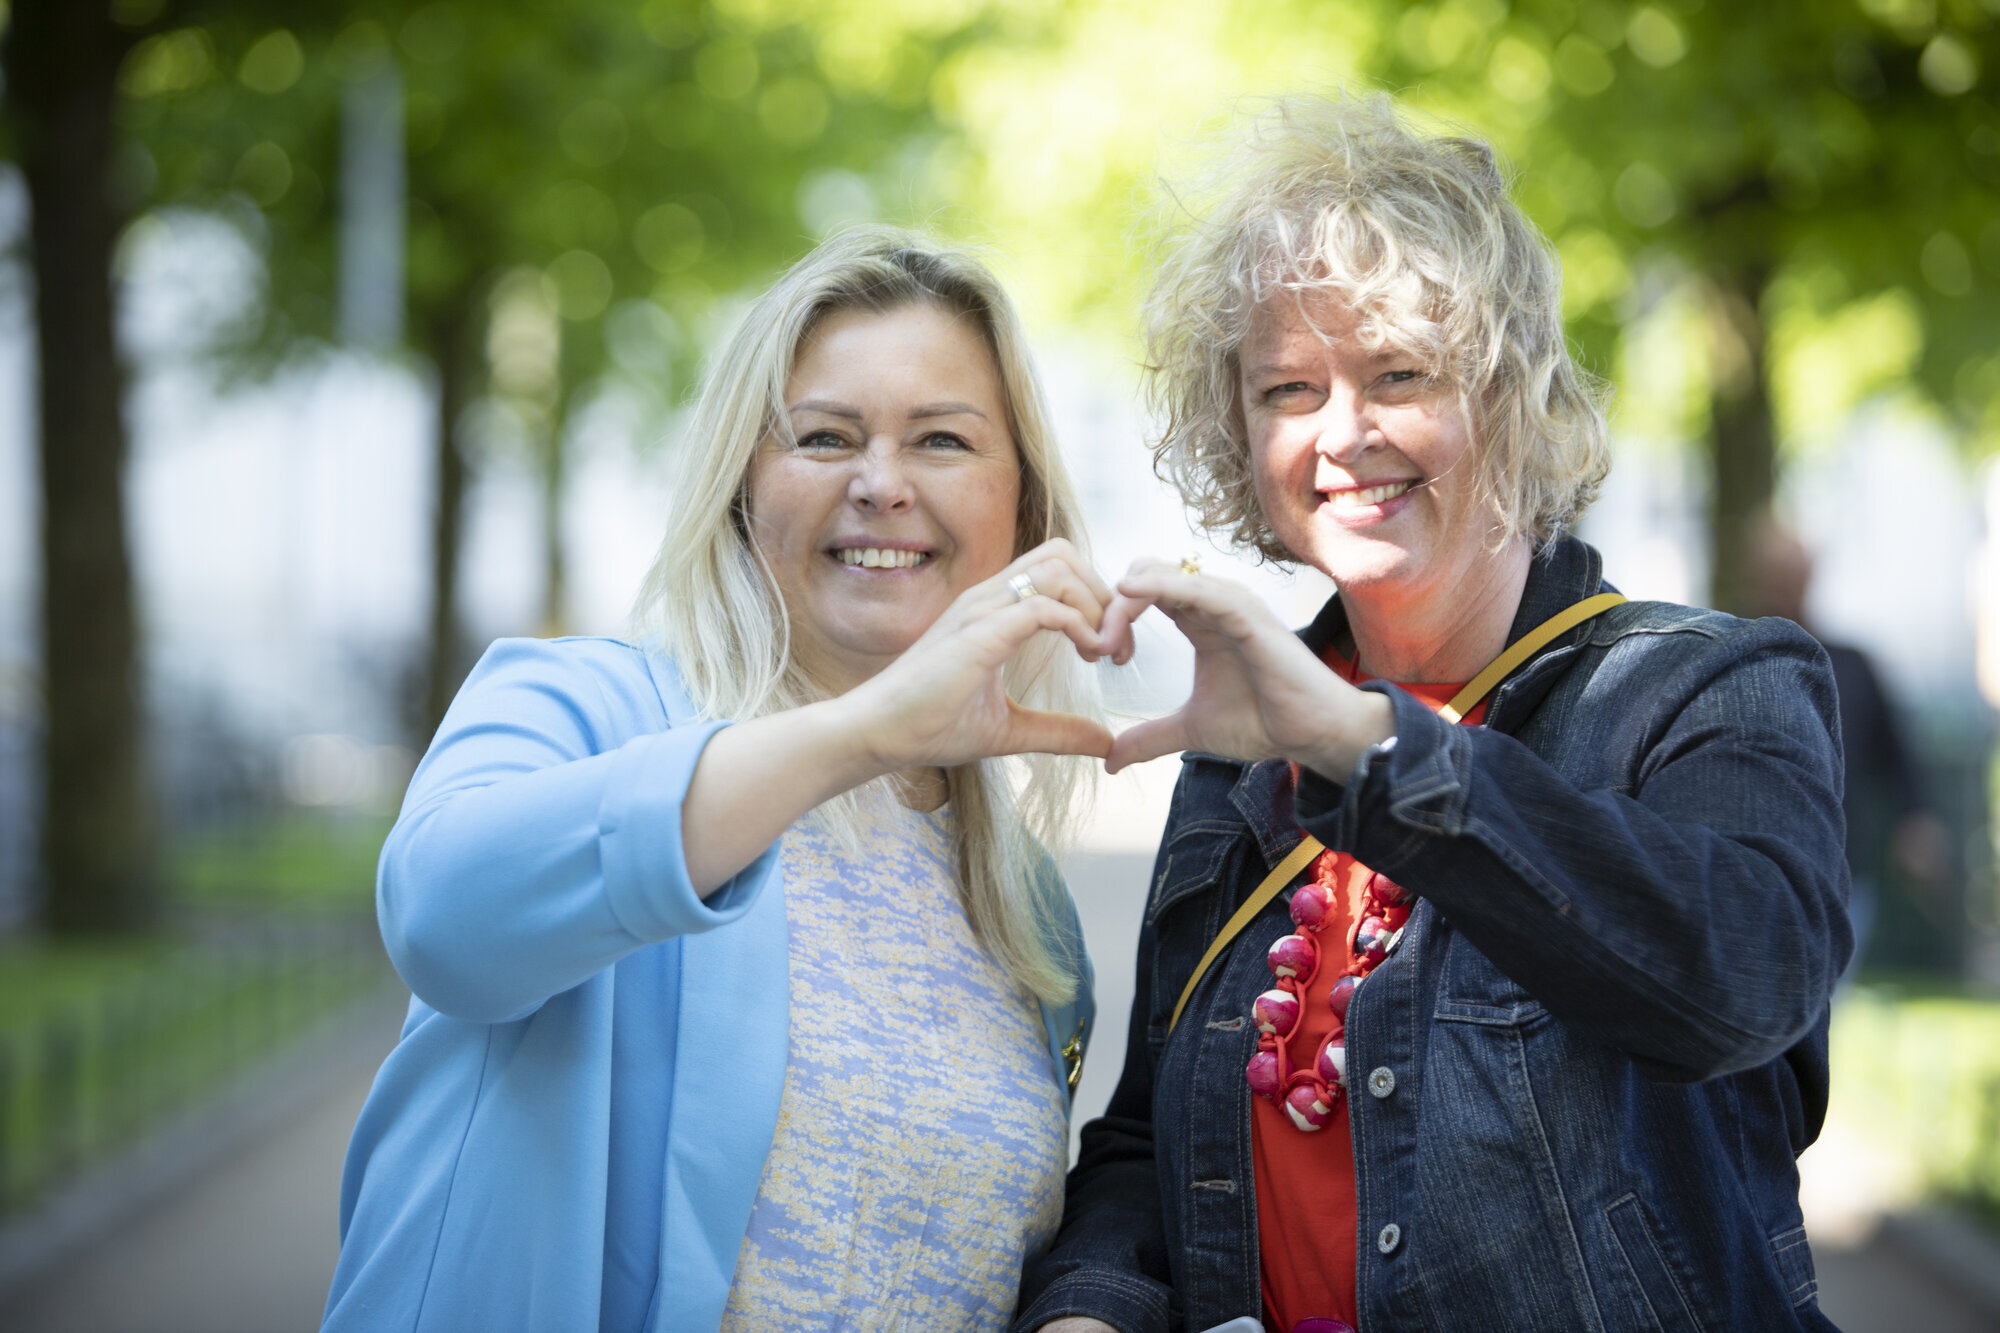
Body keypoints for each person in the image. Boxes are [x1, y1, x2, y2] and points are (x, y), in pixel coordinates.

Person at [1017, 96, 1850, 1333]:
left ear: (1508, 396)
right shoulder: (1237, 752)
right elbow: (1150, 1139)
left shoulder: (1700, 688)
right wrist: (1086, 1310)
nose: (1340, 434)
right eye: (1285, 388)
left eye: (1397, 374)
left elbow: (1735, 983)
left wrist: (1362, 750)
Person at [323, 228, 1120, 1333]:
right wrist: (861, 731)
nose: (880, 484)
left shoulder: (1025, 911)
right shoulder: (580, 710)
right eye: (824, 436)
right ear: (745, 484)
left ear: (1022, 507)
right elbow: (441, 920)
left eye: (940, 440)